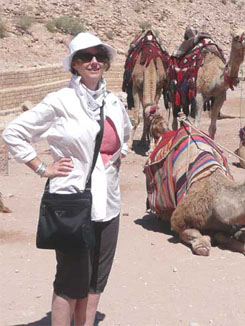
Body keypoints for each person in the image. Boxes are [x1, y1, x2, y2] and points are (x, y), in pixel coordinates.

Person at [2, 32, 132, 325]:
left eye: (99, 55)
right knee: (70, 282)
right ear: (74, 64)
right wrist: (41, 167)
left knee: (96, 279)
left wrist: (111, 160)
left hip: (108, 203)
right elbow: (13, 133)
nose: (94, 61)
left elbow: (125, 136)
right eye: (86, 56)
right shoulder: (60, 101)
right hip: (71, 201)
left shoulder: (113, 102)